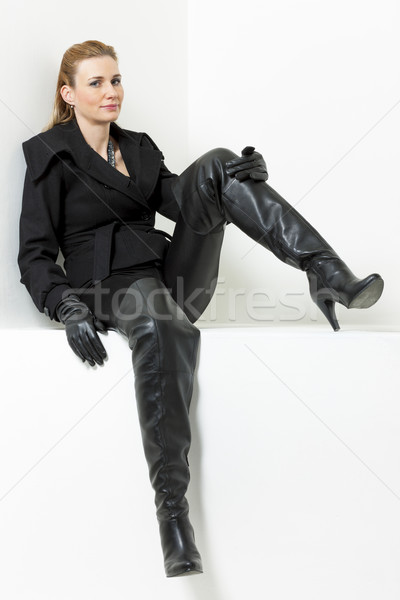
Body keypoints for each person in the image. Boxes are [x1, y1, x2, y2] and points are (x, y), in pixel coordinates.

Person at [18, 40, 384, 577]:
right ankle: (172, 514)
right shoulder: (50, 154)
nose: (111, 92)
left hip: (171, 279)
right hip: (109, 286)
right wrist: (65, 305)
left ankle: (327, 273)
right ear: (69, 93)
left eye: (116, 79)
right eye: (96, 83)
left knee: (217, 163)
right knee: (161, 321)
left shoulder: (139, 147)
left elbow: (178, 198)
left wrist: (237, 176)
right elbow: (33, 254)